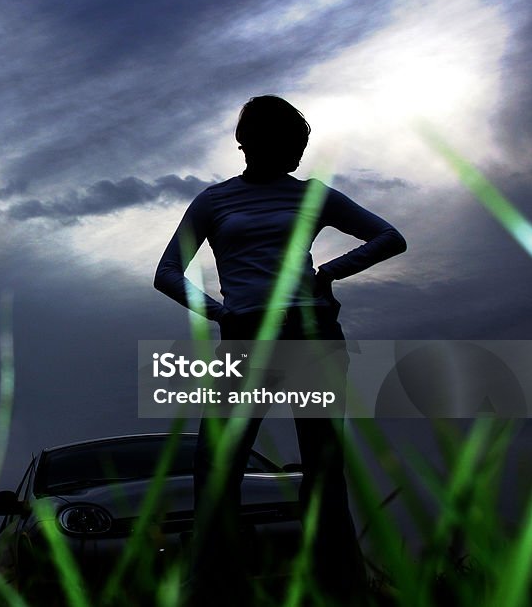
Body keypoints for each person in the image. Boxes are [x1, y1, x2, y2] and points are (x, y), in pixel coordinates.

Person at [153, 95, 406, 604]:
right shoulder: (214, 201)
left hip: (311, 339)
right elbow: (166, 274)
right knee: (217, 467)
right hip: (244, 339)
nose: (294, 154)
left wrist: (328, 273)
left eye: (300, 145)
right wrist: (221, 314)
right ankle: (215, 592)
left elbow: (388, 237)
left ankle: (339, 591)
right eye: (286, 143)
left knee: (323, 470)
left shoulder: (313, 194)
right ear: (248, 141)